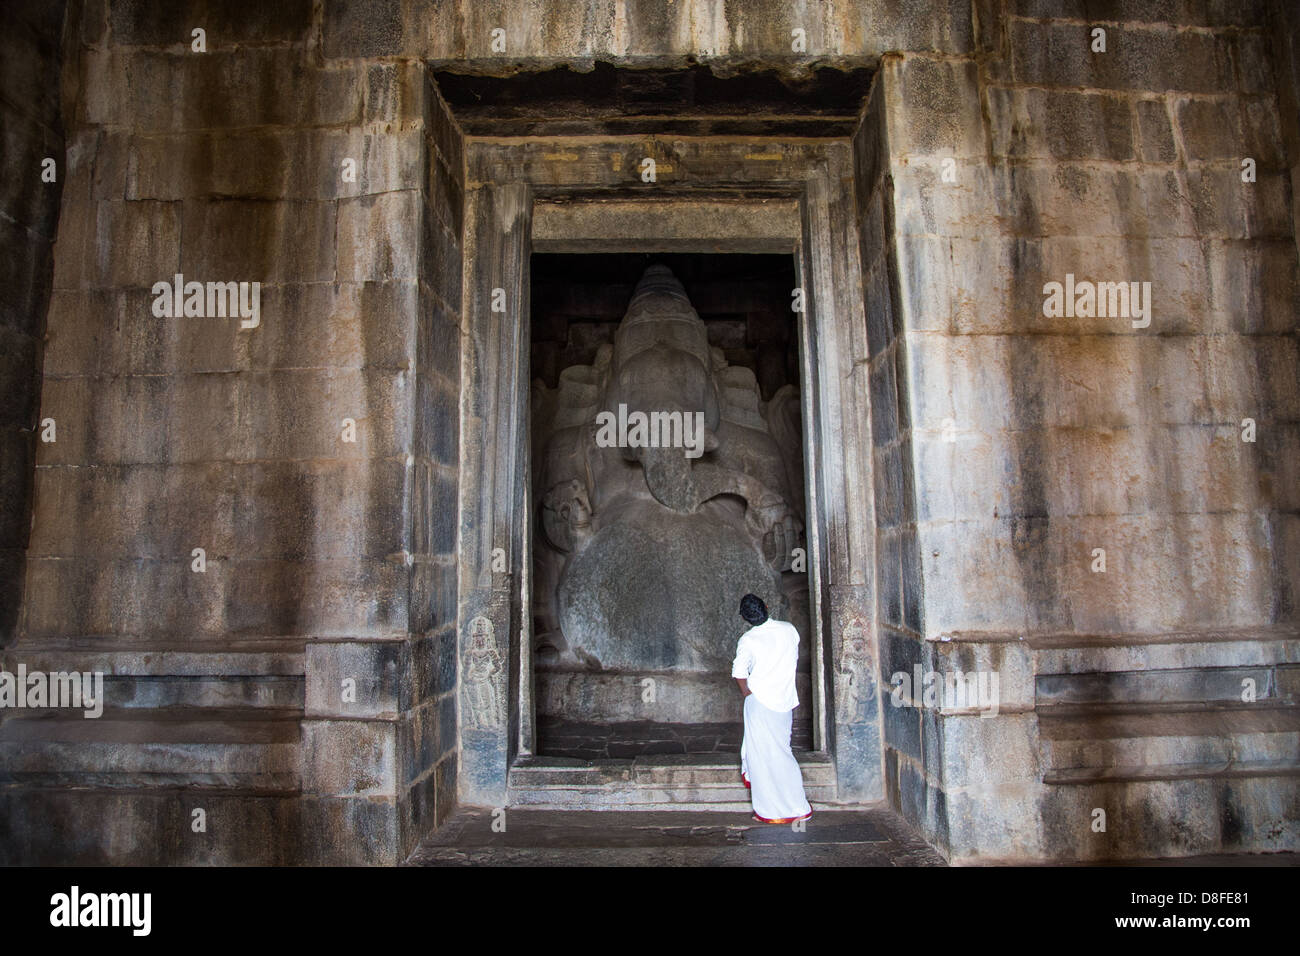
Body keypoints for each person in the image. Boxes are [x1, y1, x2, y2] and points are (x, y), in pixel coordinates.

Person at [731, 593, 812, 824]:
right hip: (784, 701)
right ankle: (797, 806)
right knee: (782, 751)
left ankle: (769, 811)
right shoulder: (789, 630)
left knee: (762, 757)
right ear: (766, 607)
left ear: (745, 618)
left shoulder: (748, 639)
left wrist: (748, 694)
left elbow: (739, 672)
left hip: (759, 703)